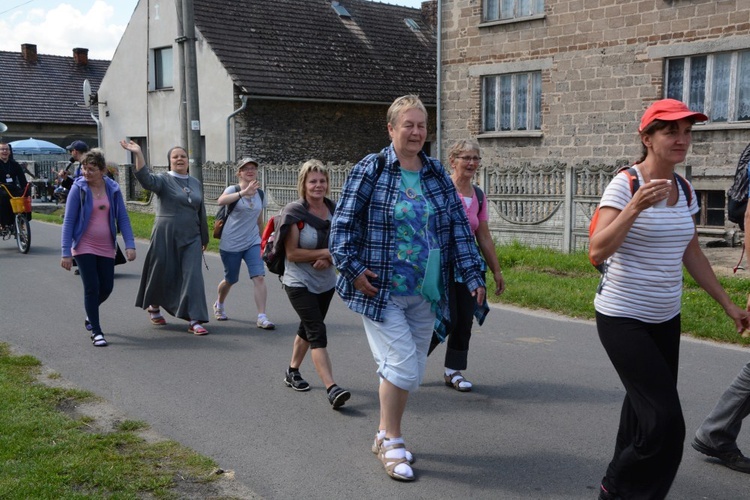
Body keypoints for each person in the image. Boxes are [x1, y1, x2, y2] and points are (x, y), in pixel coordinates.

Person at [588, 98, 750, 500]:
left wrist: (727, 304)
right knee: (665, 424)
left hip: (665, 318)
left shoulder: (683, 187)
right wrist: (635, 207)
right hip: (622, 316)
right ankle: (618, 489)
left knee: (641, 415)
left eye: (687, 131)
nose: (682, 139)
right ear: (647, 138)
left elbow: (690, 251)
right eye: (671, 131)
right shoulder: (625, 183)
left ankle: (623, 490)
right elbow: (597, 250)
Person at [330, 95, 486, 481]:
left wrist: (473, 274)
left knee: (409, 371)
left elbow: (457, 229)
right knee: (401, 364)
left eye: (421, 125)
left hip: (426, 291)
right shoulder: (372, 168)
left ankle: (383, 434)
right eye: (408, 125)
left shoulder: (434, 173)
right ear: (391, 129)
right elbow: (342, 226)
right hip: (379, 288)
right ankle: (394, 441)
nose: (416, 132)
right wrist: (352, 269)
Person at [427, 139, 505, 392]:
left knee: (464, 319)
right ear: (453, 160)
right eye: (466, 157)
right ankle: (408, 362)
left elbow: (483, 235)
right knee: (446, 318)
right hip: (442, 262)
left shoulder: (478, 195)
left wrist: (495, 269)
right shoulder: (439, 189)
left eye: (476, 158)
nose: (472, 163)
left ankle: (453, 371)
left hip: (470, 265)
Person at [120, 140, 210, 335]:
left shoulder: (195, 183)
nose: (179, 159)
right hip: (166, 234)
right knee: (161, 271)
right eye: (175, 156)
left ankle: (194, 319)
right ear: (170, 161)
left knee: (193, 276)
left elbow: (200, 210)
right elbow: (145, 180)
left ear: (188, 161)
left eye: (183, 156)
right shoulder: (163, 179)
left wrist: (204, 237)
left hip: (191, 236)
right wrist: (138, 153)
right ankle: (153, 305)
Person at [281, 160, 350, 409]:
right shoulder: (295, 213)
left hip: (326, 282)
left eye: (322, 181)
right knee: (317, 331)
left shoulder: (336, 210)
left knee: (306, 329)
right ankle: (332, 388)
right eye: (313, 181)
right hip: (298, 281)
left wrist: (329, 256)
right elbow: (292, 254)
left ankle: (292, 371)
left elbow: (345, 243)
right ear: (304, 184)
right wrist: (325, 252)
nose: (318, 185)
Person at [60, 149, 136, 347]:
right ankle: (96, 331)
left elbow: (123, 218)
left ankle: (89, 314)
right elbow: (68, 221)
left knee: (107, 287)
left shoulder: (113, 189)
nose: (86, 173)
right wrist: (66, 252)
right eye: (84, 169)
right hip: (84, 245)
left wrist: (130, 244)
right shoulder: (79, 189)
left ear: (102, 170)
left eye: (91, 169)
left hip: (106, 245)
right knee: (92, 287)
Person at [213, 157, 275, 329]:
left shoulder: (260, 194)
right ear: (239, 172)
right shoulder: (233, 189)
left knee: (259, 277)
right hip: (231, 242)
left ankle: (262, 316)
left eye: (253, 168)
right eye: (245, 168)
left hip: (252, 242)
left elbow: (259, 219)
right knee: (230, 279)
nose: (250, 171)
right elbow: (220, 201)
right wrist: (243, 193)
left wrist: (263, 241)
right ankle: (219, 303)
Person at [0, 142, 28, 229]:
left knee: (22, 197)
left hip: (12, 188)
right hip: (1, 188)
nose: (5, 151)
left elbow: (22, 179)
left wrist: (26, 188)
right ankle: (2, 223)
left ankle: (21, 221)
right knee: (3, 198)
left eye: (6, 149)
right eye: (2, 149)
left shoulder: (15, 165)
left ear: (9, 152)